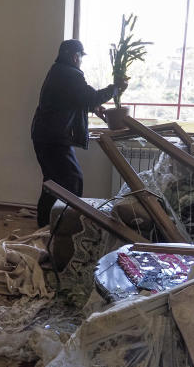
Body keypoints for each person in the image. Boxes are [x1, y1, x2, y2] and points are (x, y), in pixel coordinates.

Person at [30, 39, 127, 227]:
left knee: (53, 183)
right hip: (53, 139)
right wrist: (115, 89)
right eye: (81, 57)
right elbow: (89, 96)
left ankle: (46, 225)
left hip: (46, 136)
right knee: (72, 180)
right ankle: (61, 224)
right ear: (75, 57)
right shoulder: (70, 74)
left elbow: (77, 98)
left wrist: (94, 106)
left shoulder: (59, 71)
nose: (81, 60)